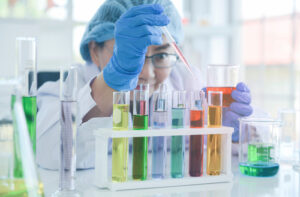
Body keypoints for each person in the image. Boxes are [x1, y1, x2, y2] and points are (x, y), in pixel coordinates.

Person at [37, 0, 252, 170]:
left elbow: (253, 142)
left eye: (161, 55)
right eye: (130, 53)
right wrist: (114, 78)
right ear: (94, 50)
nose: (146, 73)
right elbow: (48, 152)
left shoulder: (185, 81)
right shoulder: (66, 88)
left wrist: (233, 131)